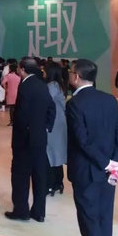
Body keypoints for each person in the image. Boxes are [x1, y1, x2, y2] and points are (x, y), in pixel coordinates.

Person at [67, 59, 118, 236]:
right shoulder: (109, 99)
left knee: (89, 222)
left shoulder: (74, 104)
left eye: (70, 72)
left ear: (77, 76)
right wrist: (116, 161)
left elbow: (82, 141)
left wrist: (106, 162)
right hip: (108, 171)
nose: (69, 75)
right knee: (103, 219)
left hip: (87, 171)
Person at [5, 57, 55, 223]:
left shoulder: (25, 86)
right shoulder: (42, 85)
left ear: (22, 69)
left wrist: (21, 132)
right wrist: (46, 127)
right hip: (39, 137)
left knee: (20, 175)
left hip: (24, 140)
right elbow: (51, 108)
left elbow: (22, 114)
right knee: (39, 175)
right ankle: (39, 212)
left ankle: (21, 210)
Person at [44, 63, 67, 196]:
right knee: (57, 153)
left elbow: (45, 101)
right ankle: (58, 182)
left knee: (51, 153)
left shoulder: (51, 86)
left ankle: (52, 184)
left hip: (53, 123)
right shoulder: (59, 85)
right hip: (59, 121)